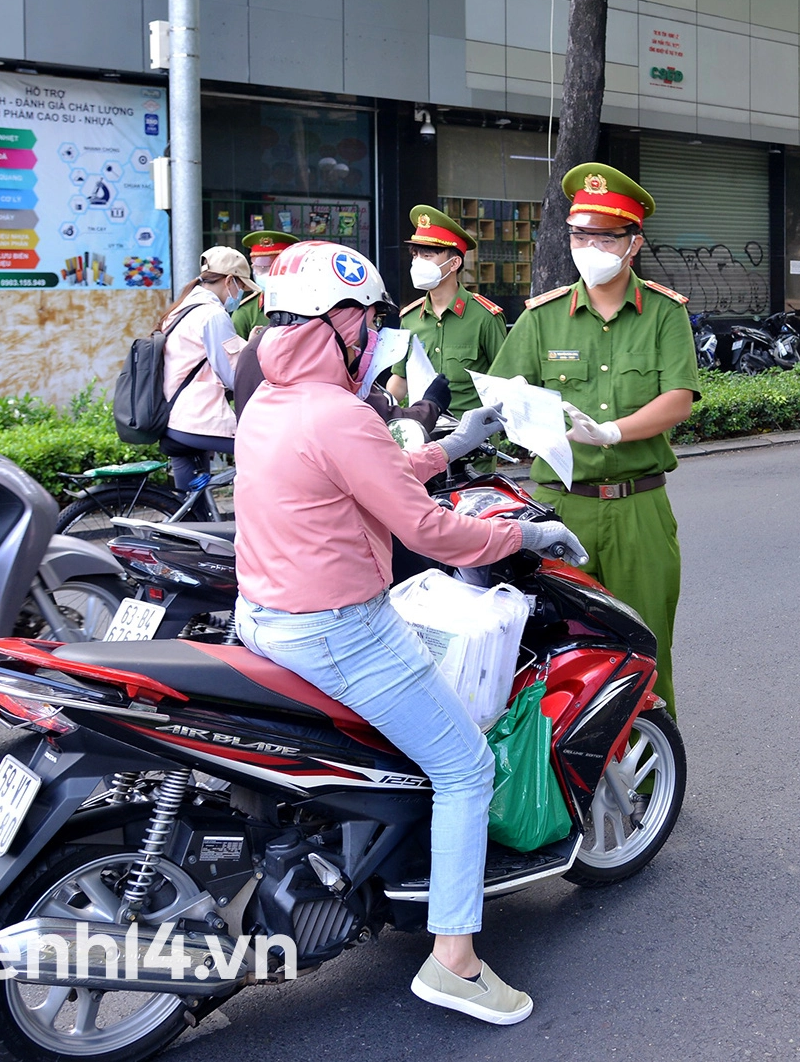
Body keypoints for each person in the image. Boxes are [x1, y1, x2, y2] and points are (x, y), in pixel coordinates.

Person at [232, 240, 583, 1025]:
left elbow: (370, 474)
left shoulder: (272, 403)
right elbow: (432, 532)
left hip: (265, 621)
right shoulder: (338, 412)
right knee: (463, 768)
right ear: (337, 323)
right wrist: (525, 539)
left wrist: (455, 445)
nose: (374, 338)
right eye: (366, 320)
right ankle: (453, 959)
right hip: (339, 631)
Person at [488, 164, 701, 716]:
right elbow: (502, 393)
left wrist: (612, 431)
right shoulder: (542, 318)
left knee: (645, 647)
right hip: (563, 506)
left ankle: (648, 774)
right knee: (556, 650)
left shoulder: (663, 313)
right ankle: (570, 783)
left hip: (639, 509)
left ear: (633, 243)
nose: (590, 246)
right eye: (581, 234)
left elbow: (678, 397)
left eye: (605, 236)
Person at [160, 246, 254, 496]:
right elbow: (233, 376)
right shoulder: (212, 315)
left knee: (190, 508)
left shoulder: (180, 309)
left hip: (172, 419)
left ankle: (189, 531)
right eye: (241, 287)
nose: (240, 294)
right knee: (262, 447)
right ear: (230, 281)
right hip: (195, 421)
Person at [396, 206, 506, 416]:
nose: (418, 263)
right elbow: (400, 379)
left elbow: (505, 381)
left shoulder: (484, 317)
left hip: (471, 437)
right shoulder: (410, 318)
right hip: (423, 433)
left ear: (454, 263)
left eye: (427, 255)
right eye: (415, 255)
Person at [232, 227, 298, 339]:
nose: (268, 275)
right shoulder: (246, 312)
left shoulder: (309, 305)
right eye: (260, 269)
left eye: (274, 268)